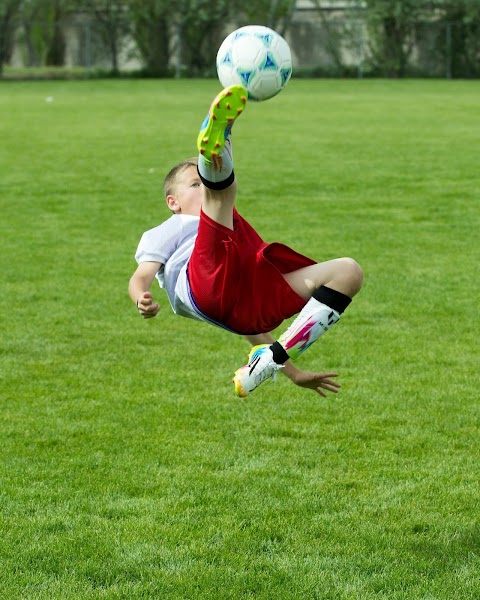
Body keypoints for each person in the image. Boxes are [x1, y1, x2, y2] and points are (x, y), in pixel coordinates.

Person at [128, 85, 363, 398]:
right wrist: (140, 297)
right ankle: (220, 137)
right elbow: (139, 277)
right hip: (202, 286)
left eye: (201, 180)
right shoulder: (174, 227)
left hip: (245, 302)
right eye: (193, 183)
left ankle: (273, 360)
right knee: (222, 196)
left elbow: (251, 327)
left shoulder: (223, 220)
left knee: (348, 272)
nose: (200, 187)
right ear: (173, 202)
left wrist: (292, 373)